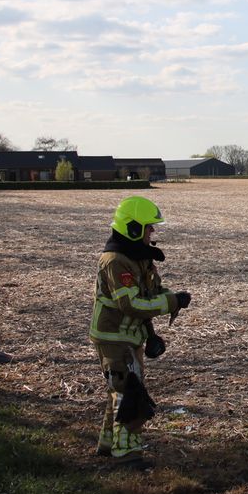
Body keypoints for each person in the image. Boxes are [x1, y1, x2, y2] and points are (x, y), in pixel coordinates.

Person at [90, 196, 191, 459]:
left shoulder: (137, 257)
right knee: (128, 393)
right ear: (133, 228)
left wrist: (152, 332)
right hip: (113, 336)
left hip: (128, 336)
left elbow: (150, 292)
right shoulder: (116, 261)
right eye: (149, 227)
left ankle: (107, 445)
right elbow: (131, 304)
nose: (153, 232)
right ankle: (127, 453)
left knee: (119, 391)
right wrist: (171, 302)